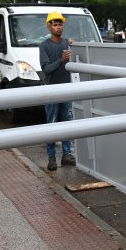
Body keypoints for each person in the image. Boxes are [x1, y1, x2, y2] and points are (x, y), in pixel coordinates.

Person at [39, 11, 75, 171]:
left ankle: (67, 155)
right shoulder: (44, 46)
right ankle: (51, 157)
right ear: (49, 26)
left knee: (67, 124)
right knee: (51, 124)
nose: (58, 27)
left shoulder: (67, 43)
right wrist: (61, 60)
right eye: (55, 24)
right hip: (51, 91)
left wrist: (73, 45)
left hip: (66, 89)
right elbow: (46, 69)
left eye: (60, 24)